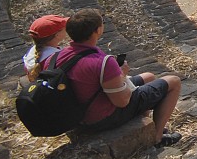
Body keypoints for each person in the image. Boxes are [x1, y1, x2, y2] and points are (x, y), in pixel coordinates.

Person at [49, 8, 182, 146]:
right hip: (99, 119)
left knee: (148, 77)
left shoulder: (55, 57)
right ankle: (158, 137)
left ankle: (145, 126)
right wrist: (121, 75)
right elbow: (122, 101)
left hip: (76, 116)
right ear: (98, 31)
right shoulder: (102, 62)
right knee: (173, 82)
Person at [21, 15, 69, 83]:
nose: (66, 28)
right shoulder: (57, 58)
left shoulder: (32, 52)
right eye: (64, 27)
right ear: (57, 35)